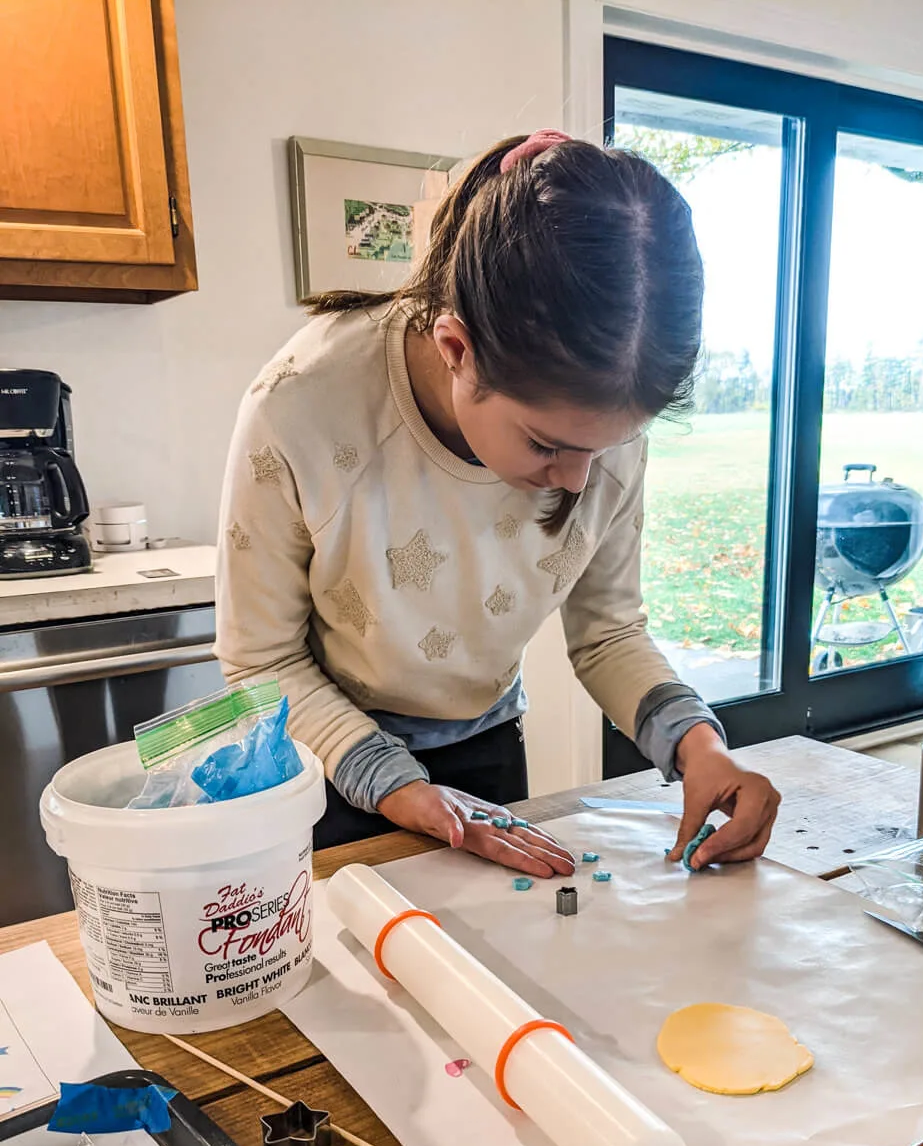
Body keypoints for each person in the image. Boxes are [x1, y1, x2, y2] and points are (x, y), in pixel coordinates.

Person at [215, 128, 780, 879]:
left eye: (604, 449)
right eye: (547, 445)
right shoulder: (299, 406)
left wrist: (698, 745)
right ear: (457, 351)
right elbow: (262, 661)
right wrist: (398, 788)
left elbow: (608, 632)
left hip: (485, 745)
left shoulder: (602, 421)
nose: (579, 481)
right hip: (328, 760)